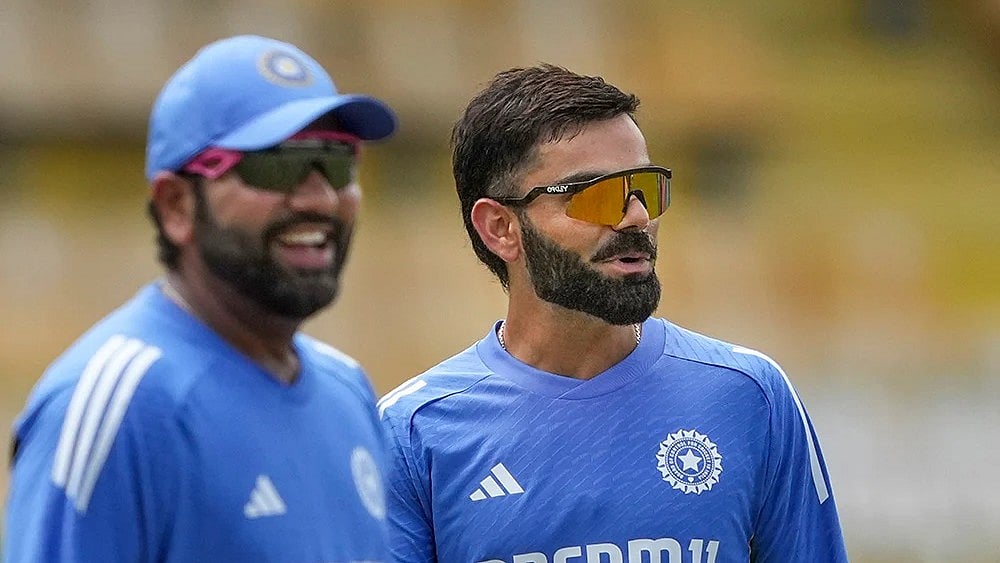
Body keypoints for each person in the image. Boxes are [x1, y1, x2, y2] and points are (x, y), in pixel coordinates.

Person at [378, 64, 849, 562]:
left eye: (644, 187)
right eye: (593, 194)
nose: (637, 216)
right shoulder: (413, 433)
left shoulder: (750, 395)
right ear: (500, 227)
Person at [3, 35, 397, 562]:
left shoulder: (347, 391)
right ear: (176, 205)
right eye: (276, 165)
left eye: (338, 162)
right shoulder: (120, 408)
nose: (320, 198)